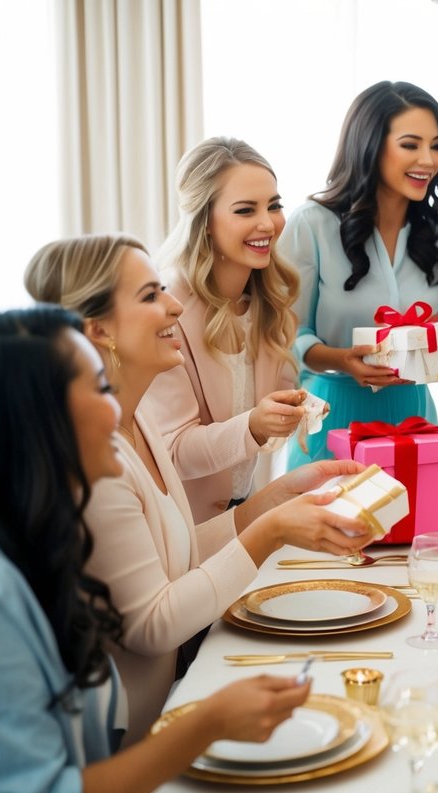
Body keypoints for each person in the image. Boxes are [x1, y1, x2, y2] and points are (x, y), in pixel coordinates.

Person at [0, 306, 309, 793]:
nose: (118, 411)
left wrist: (267, 505)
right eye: (100, 388)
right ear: (41, 415)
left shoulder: (46, 537)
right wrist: (209, 722)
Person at [26, 234, 371, 744]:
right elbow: (155, 625)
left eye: (163, 289)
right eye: (149, 296)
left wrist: (274, 499)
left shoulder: (138, 417)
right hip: (125, 743)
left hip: (169, 706)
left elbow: (178, 559)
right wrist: (269, 533)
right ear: (98, 330)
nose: (173, 305)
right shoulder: (94, 456)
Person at [281, 81, 438, 466]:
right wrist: (343, 359)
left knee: (423, 525)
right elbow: (288, 335)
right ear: (369, 145)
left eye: (436, 146)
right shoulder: (311, 225)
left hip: (416, 419)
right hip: (333, 414)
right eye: (410, 144)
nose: (428, 159)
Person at [148, 137, 304, 523]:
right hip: (181, 532)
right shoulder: (167, 312)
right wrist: (253, 425)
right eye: (245, 210)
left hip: (246, 518)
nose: (267, 223)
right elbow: (175, 451)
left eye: (274, 205)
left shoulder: (268, 305)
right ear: (205, 223)